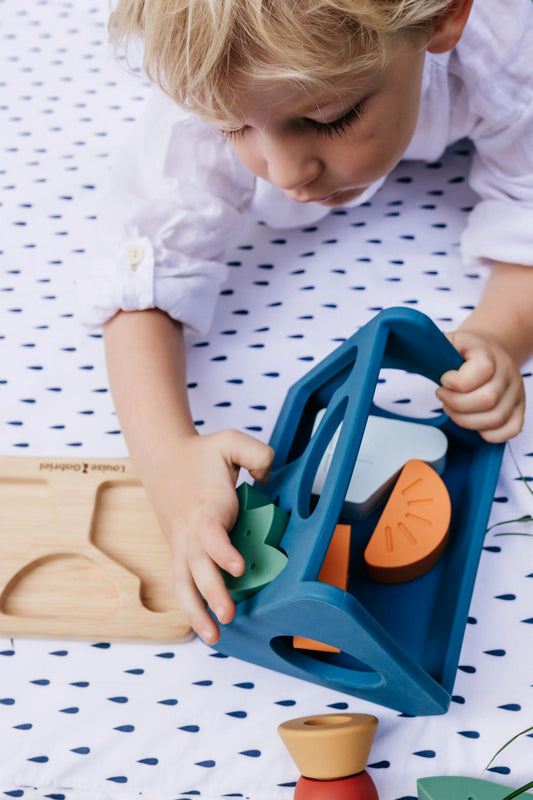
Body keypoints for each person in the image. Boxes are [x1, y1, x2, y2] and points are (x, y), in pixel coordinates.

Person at [79, 0, 533, 645]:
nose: (287, 175)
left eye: (331, 117)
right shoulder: (213, 61)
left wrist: (497, 335)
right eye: (234, 127)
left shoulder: (511, 44)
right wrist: (168, 462)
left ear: (444, 18)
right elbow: (142, 265)